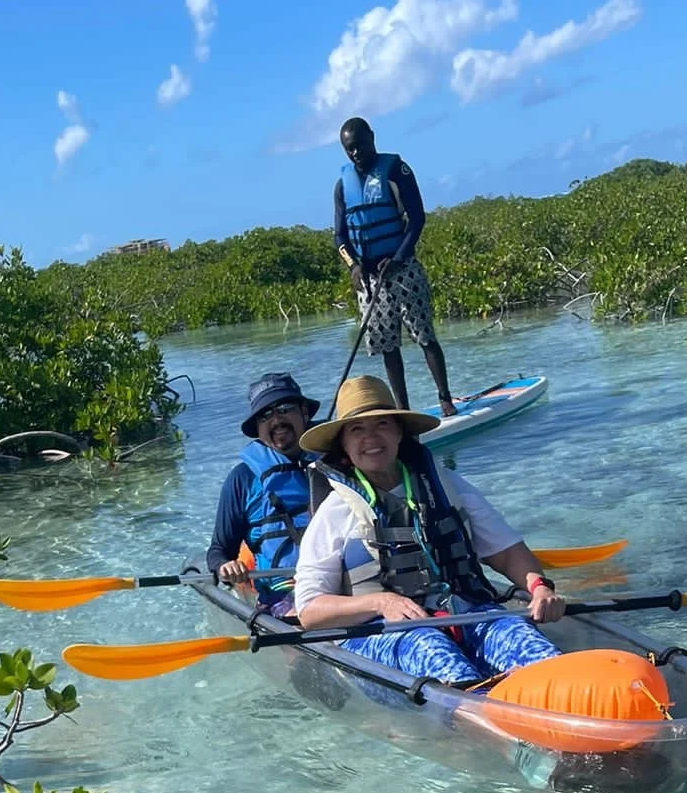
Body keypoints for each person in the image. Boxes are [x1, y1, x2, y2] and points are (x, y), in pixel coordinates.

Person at [293, 376, 564, 683]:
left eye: (382, 424)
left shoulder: (447, 486)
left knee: (532, 648)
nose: (371, 438)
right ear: (343, 443)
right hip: (382, 633)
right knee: (433, 652)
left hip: (466, 614)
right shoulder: (334, 512)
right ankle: (477, 713)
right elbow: (310, 613)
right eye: (357, 429)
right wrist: (381, 602)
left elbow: (509, 554)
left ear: (399, 433)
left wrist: (540, 588)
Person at [334, 118, 457, 419]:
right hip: (370, 279)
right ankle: (403, 411)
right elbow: (340, 237)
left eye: (360, 146)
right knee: (388, 346)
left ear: (372, 139)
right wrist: (353, 266)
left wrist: (399, 257)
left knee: (424, 335)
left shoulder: (397, 172)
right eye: (350, 149)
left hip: (403, 269)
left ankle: (445, 399)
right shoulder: (342, 186)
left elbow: (417, 219)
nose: (356, 154)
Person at [206, 372, 320, 614]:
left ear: (304, 412)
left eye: (284, 408)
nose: (276, 420)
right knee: (303, 615)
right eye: (265, 415)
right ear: (258, 429)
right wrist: (226, 567)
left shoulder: (338, 459)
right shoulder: (242, 479)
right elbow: (218, 551)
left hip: (344, 579)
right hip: (283, 591)